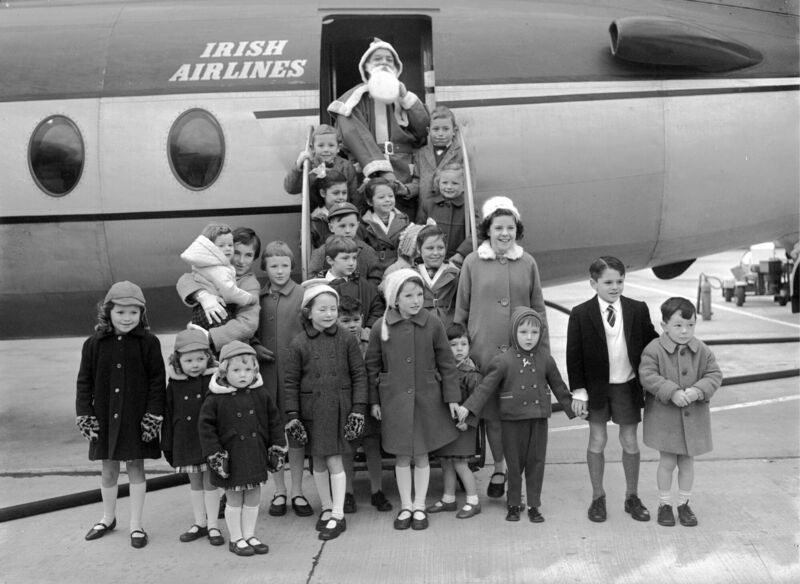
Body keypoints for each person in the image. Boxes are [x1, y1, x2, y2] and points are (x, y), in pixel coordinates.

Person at [454, 196, 548, 500]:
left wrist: (541, 351)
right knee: (493, 416)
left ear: (516, 229)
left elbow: (538, 309)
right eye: (498, 228)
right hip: (484, 351)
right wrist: (462, 353)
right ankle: (499, 468)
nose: (504, 233)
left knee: (518, 417)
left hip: (522, 354)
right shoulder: (472, 262)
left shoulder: (528, 262)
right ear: (488, 230)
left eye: (510, 227)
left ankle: (517, 472)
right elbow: (461, 311)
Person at [365, 269, 461, 531]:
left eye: (419, 294)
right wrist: (373, 401)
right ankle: (405, 504)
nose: (416, 300)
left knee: (421, 455)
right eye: (409, 295)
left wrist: (452, 398)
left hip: (426, 399)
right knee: (401, 457)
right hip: (394, 401)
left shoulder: (432, 323)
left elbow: (446, 363)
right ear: (395, 299)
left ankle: (419, 505)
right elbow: (372, 367)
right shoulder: (380, 327)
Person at [457, 308, 574, 522]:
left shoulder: (545, 359)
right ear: (513, 332)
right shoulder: (503, 360)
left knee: (536, 462)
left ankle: (534, 506)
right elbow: (485, 388)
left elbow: (559, 387)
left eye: (534, 333)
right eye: (523, 332)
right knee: (514, 464)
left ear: (540, 334)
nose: (529, 338)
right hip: (512, 420)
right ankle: (513, 504)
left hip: (538, 419)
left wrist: (574, 407)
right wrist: (469, 407)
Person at [567, 256, 658, 524]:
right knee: (597, 440)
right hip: (596, 389)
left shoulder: (637, 309)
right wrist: (579, 392)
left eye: (619, 281)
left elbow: (651, 343)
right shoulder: (581, 313)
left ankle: (632, 496)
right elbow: (574, 356)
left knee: (630, 440)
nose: (615, 287)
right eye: (608, 282)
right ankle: (598, 496)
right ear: (593, 283)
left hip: (626, 386)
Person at [75, 281, 165, 549]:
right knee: (108, 469)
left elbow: (157, 381)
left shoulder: (149, 343)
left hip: (136, 417)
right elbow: (84, 382)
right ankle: (108, 517)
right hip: (104, 417)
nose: (127, 318)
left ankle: (136, 524)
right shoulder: (93, 344)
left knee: (136, 467)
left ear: (142, 314)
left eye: (133, 313)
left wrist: (153, 415)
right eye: (121, 312)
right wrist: (85, 414)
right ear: (108, 312)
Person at [283, 281, 368, 541]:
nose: (330, 314)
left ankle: (339, 514)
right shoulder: (299, 343)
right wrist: (292, 415)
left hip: (340, 408)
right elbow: (290, 382)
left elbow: (359, 374)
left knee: (334, 459)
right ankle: (327, 507)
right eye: (323, 309)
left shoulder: (346, 339)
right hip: (312, 410)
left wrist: (358, 408)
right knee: (317, 460)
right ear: (308, 312)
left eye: (333, 308)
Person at [639, 297, 723, 527]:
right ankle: (664, 504)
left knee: (687, 463)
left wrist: (698, 390)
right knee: (666, 462)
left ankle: (684, 504)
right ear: (664, 325)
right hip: (665, 419)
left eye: (690, 325)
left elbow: (714, 374)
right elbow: (647, 375)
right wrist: (672, 392)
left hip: (693, 418)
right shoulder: (654, 349)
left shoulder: (702, 349)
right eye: (678, 325)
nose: (685, 331)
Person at [199, 341, 286, 557]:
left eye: (248, 370)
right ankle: (236, 538)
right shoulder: (215, 398)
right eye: (236, 370)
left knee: (254, 496)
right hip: (231, 457)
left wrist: (276, 447)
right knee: (234, 497)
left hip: (255, 453)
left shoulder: (261, 394)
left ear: (255, 370)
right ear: (224, 370)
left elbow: (274, 421)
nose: (243, 375)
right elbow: (206, 428)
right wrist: (216, 455)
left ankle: (249, 535)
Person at [327, 38, 429, 219]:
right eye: (378, 59)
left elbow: (423, 130)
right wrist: (381, 170)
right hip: (369, 175)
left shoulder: (405, 98)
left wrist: (406, 98)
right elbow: (354, 135)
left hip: (404, 173)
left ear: (397, 67)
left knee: (406, 225)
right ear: (367, 66)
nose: (384, 62)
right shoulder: (354, 99)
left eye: (389, 59)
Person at [251, 241, 313, 519]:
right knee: (274, 435)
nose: (279, 271)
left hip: (294, 377)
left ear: (292, 267)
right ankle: (279, 491)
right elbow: (247, 327)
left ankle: (298, 490)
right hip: (265, 378)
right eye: (273, 266)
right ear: (264, 267)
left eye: (285, 265)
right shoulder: (256, 298)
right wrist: (254, 344)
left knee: (295, 433)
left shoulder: (302, 295)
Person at [161, 329, 224, 546]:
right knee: (195, 483)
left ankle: (214, 524)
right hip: (185, 440)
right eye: (189, 360)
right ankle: (200, 522)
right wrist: (167, 444)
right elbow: (168, 416)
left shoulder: (215, 381)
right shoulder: (174, 384)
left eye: (200, 358)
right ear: (177, 360)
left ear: (209, 357)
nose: (195, 364)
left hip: (209, 442)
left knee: (211, 483)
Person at [337, 295, 394, 514]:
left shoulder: (372, 338)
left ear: (362, 318)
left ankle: (377, 491)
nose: (352, 326)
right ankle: (347, 494)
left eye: (355, 320)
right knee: (348, 449)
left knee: (372, 446)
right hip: (348, 403)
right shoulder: (337, 341)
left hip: (371, 401)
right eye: (345, 320)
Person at [427, 323, 482, 519]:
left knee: (460, 463)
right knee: (446, 462)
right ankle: (448, 498)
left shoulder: (471, 373)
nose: (459, 349)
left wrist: (469, 422)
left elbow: (478, 402)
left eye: (463, 344)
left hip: (464, 427)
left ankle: (473, 500)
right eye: (453, 345)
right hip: (446, 426)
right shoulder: (443, 371)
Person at [178, 225, 260, 337]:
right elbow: (185, 279)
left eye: (248, 255)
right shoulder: (216, 268)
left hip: (231, 347)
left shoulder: (250, 284)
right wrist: (203, 296)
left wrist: (209, 337)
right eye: (237, 252)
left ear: (254, 258)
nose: (241, 261)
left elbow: (247, 324)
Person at [320, 235, 385, 342]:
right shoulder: (320, 287)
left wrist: (368, 329)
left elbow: (377, 308)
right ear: (330, 260)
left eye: (354, 258)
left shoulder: (362, 283)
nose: (351, 263)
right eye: (345, 258)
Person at [283, 124, 361, 210]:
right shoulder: (308, 166)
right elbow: (290, 188)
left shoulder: (347, 166)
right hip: (316, 218)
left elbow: (354, 196)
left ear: (338, 148)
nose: (326, 149)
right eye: (321, 146)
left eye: (331, 145)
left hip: (341, 215)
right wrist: (298, 165)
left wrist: (354, 215)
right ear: (312, 148)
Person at [406, 105, 470, 209]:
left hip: (452, 214)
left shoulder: (462, 154)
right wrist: (406, 190)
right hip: (425, 213)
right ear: (428, 131)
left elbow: (468, 187)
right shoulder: (421, 154)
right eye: (436, 129)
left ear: (454, 131)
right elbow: (417, 182)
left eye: (445, 129)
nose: (440, 134)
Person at [308, 202, 382, 285]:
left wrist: (363, 292)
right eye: (342, 226)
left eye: (352, 225)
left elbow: (375, 278)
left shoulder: (368, 251)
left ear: (357, 225)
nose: (348, 230)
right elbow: (313, 280)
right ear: (331, 227)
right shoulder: (321, 252)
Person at [416, 162, 473, 265]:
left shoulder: (469, 207)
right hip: (431, 260)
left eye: (455, 183)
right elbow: (419, 231)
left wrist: (462, 253)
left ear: (464, 186)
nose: (449, 187)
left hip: (458, 261)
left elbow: (477, 233)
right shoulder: (429, 204)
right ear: (438, 183)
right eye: (444, 183)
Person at [358, 177, 410, 275]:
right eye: (381, 197)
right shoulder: (363, 223)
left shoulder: (403, 219)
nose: (387, 200)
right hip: (375, 269)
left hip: (399, 268)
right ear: (369, 201)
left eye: (391, 196)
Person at [415, 224, 460, 327]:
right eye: (430, 248)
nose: (436, 253)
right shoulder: (410, 274)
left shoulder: (455, 274)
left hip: (447, 327)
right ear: (419, 249)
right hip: (419, 326)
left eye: (440, 248)